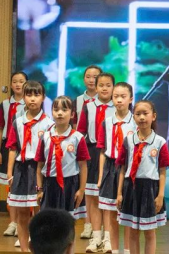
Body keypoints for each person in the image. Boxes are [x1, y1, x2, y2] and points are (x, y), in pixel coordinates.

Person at [116, 100, 169, 254]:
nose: (141, 117)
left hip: (150, 190)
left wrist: (160, 195)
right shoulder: (128, 140)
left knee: (149, 232)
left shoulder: (160, 142)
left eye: (145, 113)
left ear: (153, 116)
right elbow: (122, 168)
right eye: (138, 114)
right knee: (133, 232)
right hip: (131, 189)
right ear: (133, 117)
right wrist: (119, 193)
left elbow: (162, 171)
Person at [6, 80, 55, 251]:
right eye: (29, 95)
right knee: (22, 213)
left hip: (39, 170)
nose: (32, 99)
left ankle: (39, 247)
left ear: (43, 97)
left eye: (36, 95)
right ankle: (24, 249)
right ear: (24, 98)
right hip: (21, 169)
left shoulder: (49, 124)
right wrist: (9, 173)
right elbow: (13, 148)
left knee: (39, 211)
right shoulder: (18, 122)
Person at [77, 72, 116, 253]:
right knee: (92, 197)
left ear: (113, 87)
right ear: (96, 87)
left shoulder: (118, 106)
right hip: (92, 153)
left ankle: (108, 238)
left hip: (111, 154)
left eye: (108, 85)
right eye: (101, 85)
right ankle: (96, 236)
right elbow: (81, 131)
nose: (104, 88)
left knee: (108, 199)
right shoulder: (88, 106)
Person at [35, 95, 89, 220]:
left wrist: (81, 190)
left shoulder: (78, 137)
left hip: (70, 184)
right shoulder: (45, 137)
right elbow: (39, 166)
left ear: (72, 114)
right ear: (52, 112)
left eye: (64, 110)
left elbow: (83, 166)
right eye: (56, 109)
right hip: (49, 184)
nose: (60, 113)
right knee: (48, 220)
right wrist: (39, 189)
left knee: (67, 222)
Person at [97, 82, 136, 253]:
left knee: (126, 214)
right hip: (110, 168)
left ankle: (127, 250)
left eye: (123, 96)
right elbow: (102, 151)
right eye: (116, 96)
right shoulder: (106, 122)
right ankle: (113, 249)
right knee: (111, 213)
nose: (119, 100)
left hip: (128, 169)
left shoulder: (135, 122)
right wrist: (100, 177)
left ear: (131, 99)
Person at [74, 64, 102, 240]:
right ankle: (87, 224)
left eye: (95, 77)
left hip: (103, 149)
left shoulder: (108, 100)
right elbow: (75, 125)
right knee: (86, 186)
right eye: (88, 76)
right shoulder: (78, 101)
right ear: (84, 79)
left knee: (99, 189)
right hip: (84, 148)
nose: (91, 80)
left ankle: (100, 227)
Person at [0, 71, 27, 238]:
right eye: (15, 81)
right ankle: (13, 222)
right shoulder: (4, 104)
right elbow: (1, 128)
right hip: (8, 147)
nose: (18, 84)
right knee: (11, 185)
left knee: (24, 184)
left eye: (21, 81)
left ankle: (23, 223)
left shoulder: (30, 103)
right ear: (11, 85)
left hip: (25, 146)